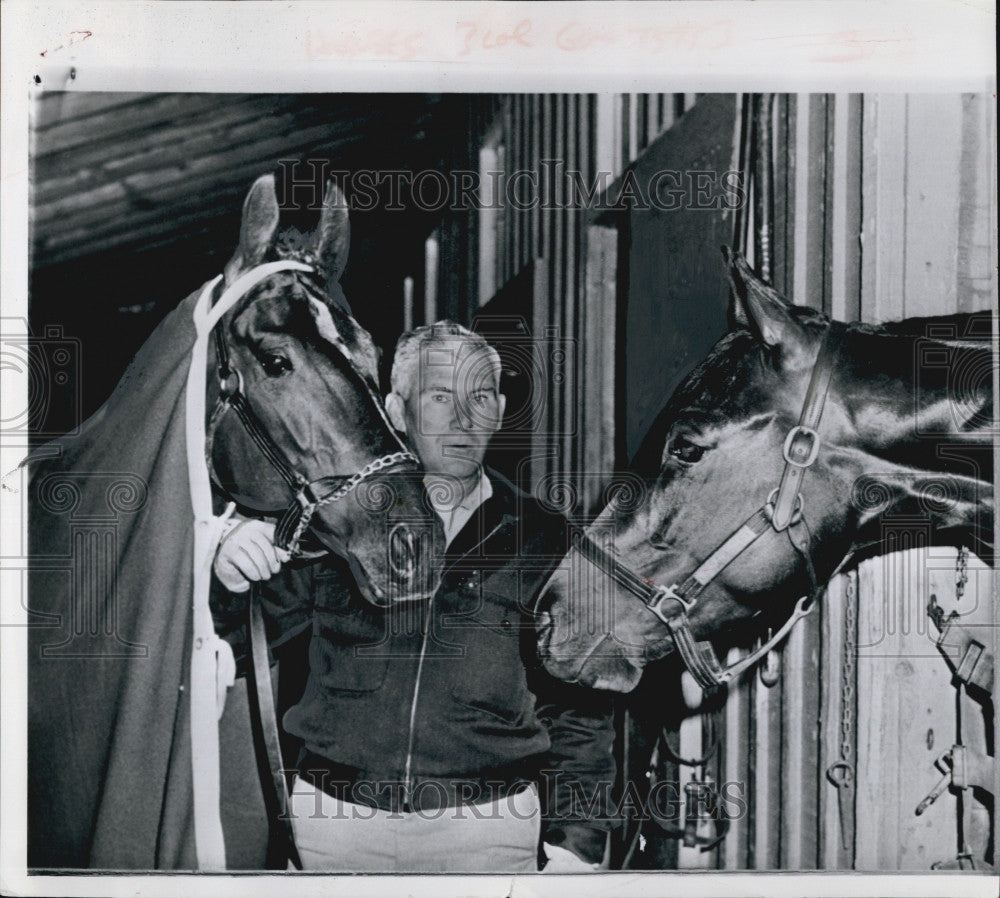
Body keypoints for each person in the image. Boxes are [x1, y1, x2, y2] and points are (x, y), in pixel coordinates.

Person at [212, 321, 616, 873]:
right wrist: (227, 557)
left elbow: (581, 710)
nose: (462, 417)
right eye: (439, 396)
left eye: (479, 396)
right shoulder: (333, 524)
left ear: (499, 409)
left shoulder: (548, 538)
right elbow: (233, 642)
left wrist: (578, 845)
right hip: (334, 824)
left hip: (487, 831)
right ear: (396, 412)